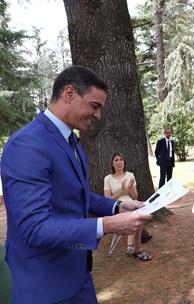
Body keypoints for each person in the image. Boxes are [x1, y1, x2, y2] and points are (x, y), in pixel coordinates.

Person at [0, 66, 151, 303]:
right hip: (43, 285)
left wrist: (116, 208)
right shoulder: (28, 144)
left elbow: (76, 194)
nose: (99, 115)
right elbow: (34, 228)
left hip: (78, 276)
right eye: (94, 106)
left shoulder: (71, 140)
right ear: (69, 93)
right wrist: (107, 225)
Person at [104, 152, 151, 261]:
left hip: (131, 204)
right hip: (116, 207)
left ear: (124, 162)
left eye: (121, 159)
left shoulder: (130, 175)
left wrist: (130, 188)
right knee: (134, 215)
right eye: (116, 160)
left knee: (140, 213)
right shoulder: (108, 179)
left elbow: (135, 196)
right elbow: (106, 200)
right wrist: (122, 190)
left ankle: (133, 247)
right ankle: (134, 248)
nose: (119, 162)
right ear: (112, 163)